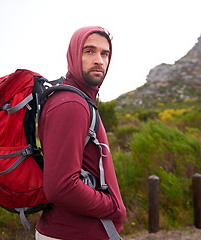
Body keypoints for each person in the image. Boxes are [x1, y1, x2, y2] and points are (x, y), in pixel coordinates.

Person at [35, 26, 126, 240]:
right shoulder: (71, 104)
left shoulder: (79, 100)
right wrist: (115, 208)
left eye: (105, 54)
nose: (99, 60)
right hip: (70, 233)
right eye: (89, 51)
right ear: (75, 54)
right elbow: (61, 187)